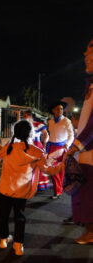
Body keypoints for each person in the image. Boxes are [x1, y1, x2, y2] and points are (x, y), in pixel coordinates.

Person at [0, 120, 64, 255]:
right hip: (22, 189)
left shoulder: (9, 148)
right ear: (30, 133)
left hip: (5, 188)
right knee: (19, 216)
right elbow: (48, 170)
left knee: (2, 215)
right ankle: (18, 245)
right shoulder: (37, 151)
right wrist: (63, 165)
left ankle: (4, 239)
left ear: (15, 133)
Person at [65, 39, 93, 244]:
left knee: (89, 190)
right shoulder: (90, 83)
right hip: (86, 148)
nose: (85, 56)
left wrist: (77, 144)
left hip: (90, 149)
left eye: (90, 53)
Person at [47, 101, 74, 199]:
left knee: (60, 170)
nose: (60, 110)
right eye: (58, 108)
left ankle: (58, 191)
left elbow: (71, 135)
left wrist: (67, 144)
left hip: (62, 148)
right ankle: (58, 188)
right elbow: (49, 135)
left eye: (62, 108)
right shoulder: (50, 121)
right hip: (51, 148)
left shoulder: (67, 121)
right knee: (52, 169)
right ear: (53, 110)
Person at [22, 110, 50, 191]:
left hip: (36, 145)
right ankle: (27, 183)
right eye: (23, 116)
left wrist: (44, 144)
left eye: (25, 116)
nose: (24, 117)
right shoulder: (23, 125)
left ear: (31, 116)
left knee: (38, 165)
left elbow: (45, 134)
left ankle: (37, 184)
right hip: (26, 146)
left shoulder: (38, 124)